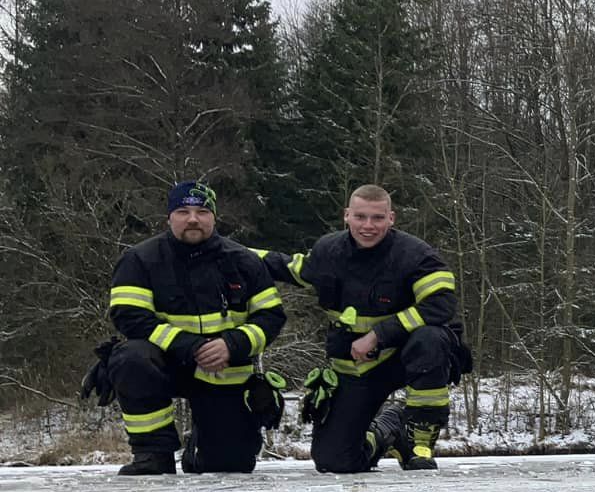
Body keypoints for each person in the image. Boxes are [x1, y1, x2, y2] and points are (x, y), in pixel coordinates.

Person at [259, 184, 462, 472]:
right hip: (357, 366)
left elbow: (440, 304)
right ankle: (387, 431)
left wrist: (378, 335)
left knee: (431, 337)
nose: (368, 225)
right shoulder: (328, 250)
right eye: (361, 217)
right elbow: (289, 267)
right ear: (347, 216)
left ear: (391, 218)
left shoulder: (416, 255)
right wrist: (228, 252)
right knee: (334, 461)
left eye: (377, 218)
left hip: (405, 358)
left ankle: (421, 435)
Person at [104, 180, 287, 475]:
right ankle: (153, 453)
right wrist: (192, 346)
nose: (192, 219)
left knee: (231, 465)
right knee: (131, 357)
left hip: (224, 370)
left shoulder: (244, 260)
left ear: (214, 217)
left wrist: (233, 344)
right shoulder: (139, 259)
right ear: (169, 217)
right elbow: (129, 316)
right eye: (183, 211)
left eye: (202, 211)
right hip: (166, 364)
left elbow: (272, 317)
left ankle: (200, 450)